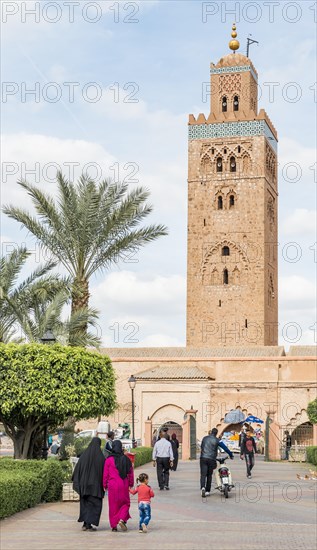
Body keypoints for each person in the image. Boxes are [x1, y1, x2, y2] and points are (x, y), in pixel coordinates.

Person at [72, 437, 105, 531]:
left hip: (84, 486)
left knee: (85, 505)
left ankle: (85, 524)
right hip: (96, 487)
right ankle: (89, 524)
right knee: (94, 506)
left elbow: (77, 471)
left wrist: (78, 483)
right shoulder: (101, 457)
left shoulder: (83, 456)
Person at [103, 439, 134, 532]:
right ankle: (122, 519)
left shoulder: (109, 460)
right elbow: (130, 473)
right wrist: (131, 483)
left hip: (112, 485)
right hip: (123, 484)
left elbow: (105, 474)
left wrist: (104, 485)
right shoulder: (126, 459)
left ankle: (114, 526)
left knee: (113, 505)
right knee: (125, 503)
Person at [200, 427, 234, 497]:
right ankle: (207, 491)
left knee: (203, 474)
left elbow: (202, 446)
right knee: (209, 475)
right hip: (211, 459)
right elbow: (225, 448)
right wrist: (231, 455)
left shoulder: (204, 438)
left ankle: (202, 487)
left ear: (211, 432)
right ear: (216, 433)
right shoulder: (218, 440)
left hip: (203, 458)